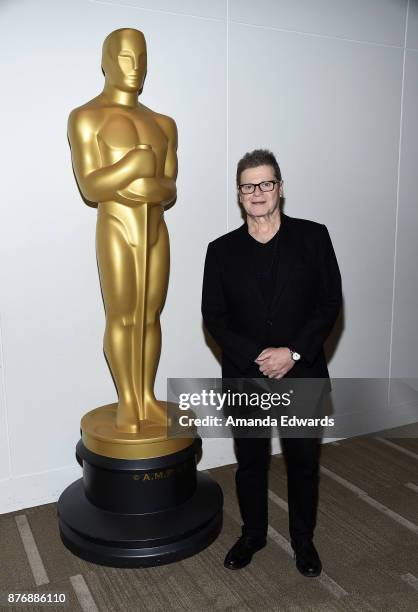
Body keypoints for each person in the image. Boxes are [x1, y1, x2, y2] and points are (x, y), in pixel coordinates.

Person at [201, 149, 342, 576]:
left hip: (302, 372)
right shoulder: (221, 250)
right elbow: (215, 316)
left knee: (302, 464)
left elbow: (328, 304)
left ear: (280, 187)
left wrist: (292, 353)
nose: (257, 192)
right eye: (248, 186)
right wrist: (255, 358)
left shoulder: (314, 237)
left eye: (265, 183)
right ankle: (253, 535)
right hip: (246, 376)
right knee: (251, 463)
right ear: (239, 195)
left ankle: (303, 541)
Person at [68, 28, 177, 433]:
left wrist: (153, 187)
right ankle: (127, 400)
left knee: (150, 316)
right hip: (116, 225)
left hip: (154, 229)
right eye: (126, 58)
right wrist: (132, 166)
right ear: (107, 61)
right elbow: (91, 186)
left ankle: (146, 394)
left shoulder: (163, 123)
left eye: (141, 58)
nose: (136, 67)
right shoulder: (87, 117)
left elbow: (169, 187)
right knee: (122, 315)